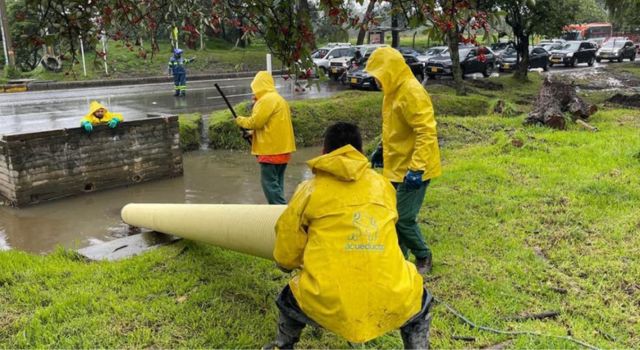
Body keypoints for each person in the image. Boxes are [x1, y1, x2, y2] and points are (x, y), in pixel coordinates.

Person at [267, 122, 432, 349]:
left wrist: (289, 264)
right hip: (391, 293)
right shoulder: (383, 186)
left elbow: (287, 247)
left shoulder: (309, 190)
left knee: (289, 298)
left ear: (324, 152)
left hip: (328, 299)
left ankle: (282, 345)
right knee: (419, 301)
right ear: (360, 152)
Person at [365, 47, 442, 275]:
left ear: (391, 71)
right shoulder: (391, 92)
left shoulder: (411, 92)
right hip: (396, 165)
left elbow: (426, 132)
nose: (376, 81)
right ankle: (398, 258)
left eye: (379, 75)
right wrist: (381, 148)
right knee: (393, 215)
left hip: (415, 168)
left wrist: (416, 168)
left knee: (404, 218)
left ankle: (423, 255)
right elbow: (392, 127)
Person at [236, 71, 296, 204]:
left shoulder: (266, 100)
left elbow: (256, 122)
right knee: (277, 182)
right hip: (283, 149)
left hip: (271, 150)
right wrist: (252, 134)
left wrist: (240, 120)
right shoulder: (279, 99)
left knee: (268, 184)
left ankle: (279, 209)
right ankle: (279, 208)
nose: (254, 92)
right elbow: (272, 126)